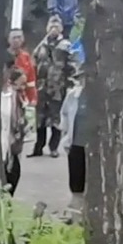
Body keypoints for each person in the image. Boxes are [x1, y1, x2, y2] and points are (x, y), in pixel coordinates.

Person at [31, 16, 78, 158]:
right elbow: (33, 63)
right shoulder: (41, 46)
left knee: (56, 120)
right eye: (51, 26)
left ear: (61, 29)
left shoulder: (66, 46)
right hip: (41, 88)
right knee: (40, 120)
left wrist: (70, 84)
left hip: (58, 88)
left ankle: (53, 147)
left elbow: (73, 66)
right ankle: (38, 147)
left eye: (56, 27)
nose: (53, 29)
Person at [3, 67, 29, 195]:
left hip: (14, 147)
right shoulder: (8, 98)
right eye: (21, 83)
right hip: (7, 147)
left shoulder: (18, 97)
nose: (24, 87)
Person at [7, 30, 38, 108]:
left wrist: (33, 98)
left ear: (23, 39)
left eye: (19, 37)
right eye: (14, 38)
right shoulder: (3, 56)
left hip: (22, 97)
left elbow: (31, 80)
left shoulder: (26, 57)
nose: (16, 40)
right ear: (9, 39)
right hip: (6, 96)